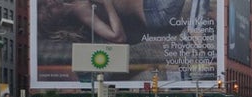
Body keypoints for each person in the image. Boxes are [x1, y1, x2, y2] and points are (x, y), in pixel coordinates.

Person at [38, 0, 186, 44]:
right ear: (58, 21)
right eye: (50, 12)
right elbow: (118, 36)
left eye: (45, 4)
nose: (50, 4)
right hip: (155, 9)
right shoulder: (82, 12)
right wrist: (108, 4)